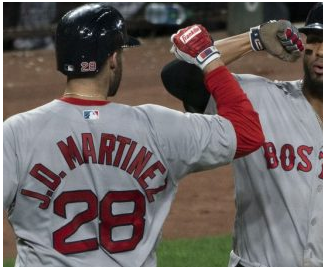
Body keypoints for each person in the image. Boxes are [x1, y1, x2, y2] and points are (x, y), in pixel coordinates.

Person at [3, 4, 265, 267]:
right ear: (113, 59)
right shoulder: (158, 127)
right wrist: (209, 58)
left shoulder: (15, 132)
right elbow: (247, 132)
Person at [161, 3, 323, 267]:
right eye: (314, 39)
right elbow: (179, 76)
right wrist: (253, 39)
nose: (321, 51)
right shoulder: (257, 100)